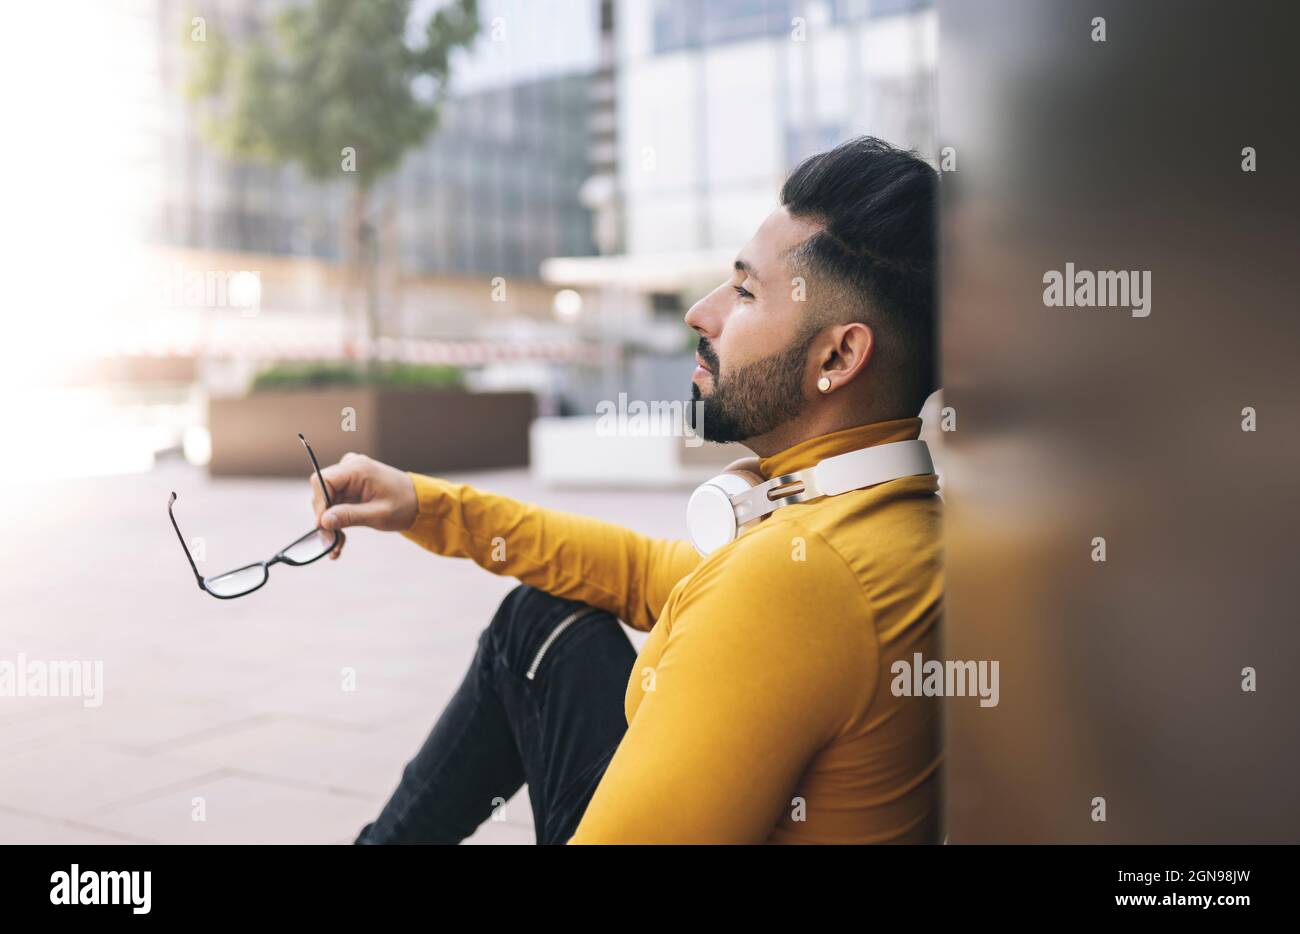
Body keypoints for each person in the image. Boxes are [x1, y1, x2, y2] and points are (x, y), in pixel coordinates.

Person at [316, 136, 942, 844]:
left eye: (743, 291)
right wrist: (427, 506)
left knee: (529, 628)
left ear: (838, 355)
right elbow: (647, 572)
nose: (701, 314)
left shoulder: (794, 581)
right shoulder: (885, 521)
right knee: (538, 617)